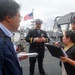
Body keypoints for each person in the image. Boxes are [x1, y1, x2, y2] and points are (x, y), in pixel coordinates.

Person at [0, 0, 27, 75]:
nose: (20, 20)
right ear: (9, 17)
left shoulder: (5, 35)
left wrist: (15, 57)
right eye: (19, 16)